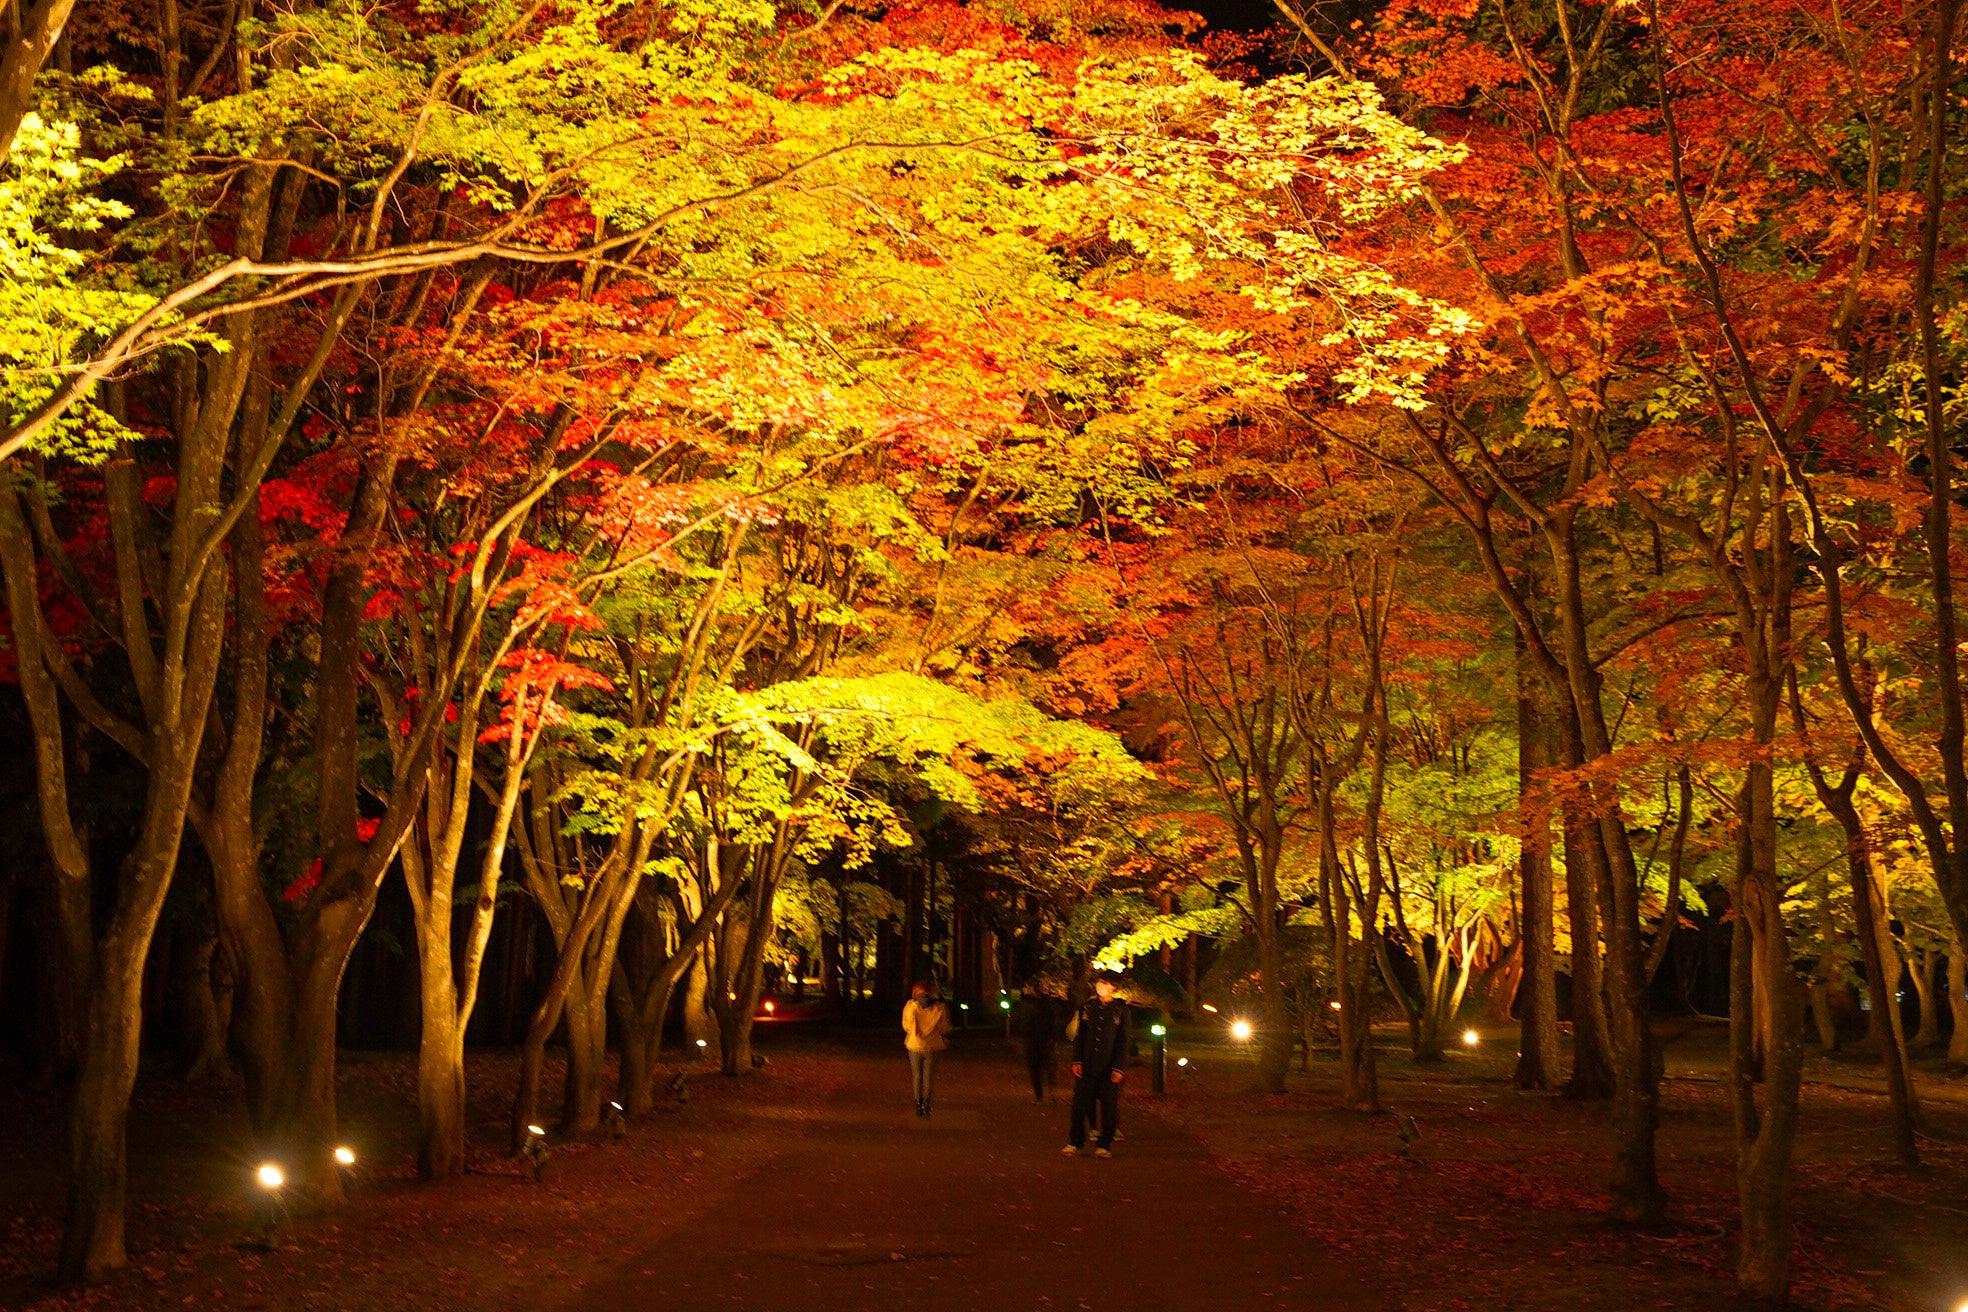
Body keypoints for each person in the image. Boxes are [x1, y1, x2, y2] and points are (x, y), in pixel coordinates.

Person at [1062, 972, 1130, 1157]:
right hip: (1088, 1065)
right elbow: (1081, 1036)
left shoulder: (1120, 1010)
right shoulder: (1088, 1007)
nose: (1101, 985)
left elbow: (1123, 1040)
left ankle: (1104, 1144)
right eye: (1100, 981)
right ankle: (1076, 1141)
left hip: (1109, 1067)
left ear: (1113, 987)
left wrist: (1119, 1067)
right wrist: (1077, 1060)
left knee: (1109, 1108)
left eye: (1106, 983)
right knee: (1079, 1106)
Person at [901, 980, 951, 1117]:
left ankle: (918, 1103)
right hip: (933, 1047)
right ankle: (927, 1105)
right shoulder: (939, 1008)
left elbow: (906, 1026)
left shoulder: (911, 1006)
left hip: (914, 1045)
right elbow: (945, 1028)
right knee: (928, 1077)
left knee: (917, 1075)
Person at [1011, 984, 1060, 1103]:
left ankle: (1040, 1096)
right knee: (1048, 1068)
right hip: (1043, 1040)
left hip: (1034, 1040)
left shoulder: (1028, 1004)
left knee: (1036, 1069)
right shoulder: (1048, 1004)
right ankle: (1051, 1094)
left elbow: (1021, 1021)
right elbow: (1053, 1023)